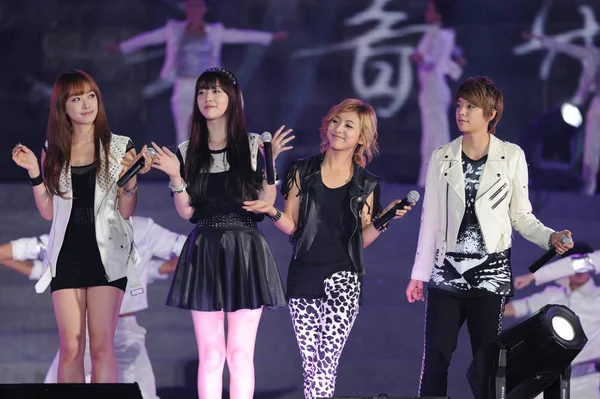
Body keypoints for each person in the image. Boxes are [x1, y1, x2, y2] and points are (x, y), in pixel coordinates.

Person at [405, 76, 575, 397]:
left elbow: (521, 216)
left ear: (490, 113)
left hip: (491, 276)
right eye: (459, 105)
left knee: (488, 362)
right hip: (446, 275)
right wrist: (419, 274)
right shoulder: (442, 156)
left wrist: (550, 237)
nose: (462, 112)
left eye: (471, 106)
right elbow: (430, 220)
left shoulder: (511, 156)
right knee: (436, 359)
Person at [243, 98, 413, 399]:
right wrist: (270, 210)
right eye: (335, 121)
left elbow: (360, 239)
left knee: (325, 361)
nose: (338, 129)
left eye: (348, 125)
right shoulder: (302, 172)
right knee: (312, 365)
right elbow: (293, 226)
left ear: (361, 137)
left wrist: (386, 219)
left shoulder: (366, 184)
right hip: (304, 277)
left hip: (344, 279)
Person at [148, 67, 292, 399]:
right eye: (202, 92)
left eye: (216, 91)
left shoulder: (253, 145)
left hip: (245, 248)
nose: (208, 98)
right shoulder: (187, 151)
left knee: (240, 354)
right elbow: (187, 212)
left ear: (233, 99)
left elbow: (266, 202)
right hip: (205, 249)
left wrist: (270, 165)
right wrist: (174, 176)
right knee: (211, 355)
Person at [10, 69, 151, 383]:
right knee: (71, 347)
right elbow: (48, 211)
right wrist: (35, 171)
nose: (87, 104)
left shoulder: (119, 146)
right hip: (68, 255)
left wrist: (130, 183)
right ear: (63, 106)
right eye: (77, 98)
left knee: (101, 348)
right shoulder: (54, 148)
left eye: (91, 96)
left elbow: (127, 211)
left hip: (107, 257)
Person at [0, 216, 186, 399]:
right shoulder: (73, 230)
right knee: (56, 389)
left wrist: (154, 270)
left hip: (125, 334)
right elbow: (27, 254)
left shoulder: (142, 228)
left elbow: (186, 248)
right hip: (83, 333)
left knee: (143, 394)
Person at [107, 0, 288, 145]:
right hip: (183, 84)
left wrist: (270, 37)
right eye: (191, 6)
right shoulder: (174, 30)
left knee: (213, 126)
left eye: (198, 6)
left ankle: (216, 167)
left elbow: (240, 35)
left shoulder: (214, 32)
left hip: (207, 87)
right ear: (186, 8)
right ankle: (184, 173)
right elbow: (148, 39)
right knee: (183, 129)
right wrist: (122, 47)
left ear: (204, 9)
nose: (194, 10)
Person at [505, 243, 600, 399]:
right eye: (571, 265)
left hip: (586, 382)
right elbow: (516, 308)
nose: (579, 270)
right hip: (546, 380)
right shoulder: (551, 295)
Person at [522, 31, 600, 196]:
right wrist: (541, 39)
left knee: (591, 151)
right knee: (591, 151)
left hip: (594, 108)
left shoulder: (593, 54)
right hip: (595, 108)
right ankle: (588, 190)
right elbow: (565, 47)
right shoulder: (594, 54)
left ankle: (589, 188)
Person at [410, 0, 459, 187]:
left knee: (437, 136)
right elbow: (449, 62)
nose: (426, 13)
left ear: (438, 14)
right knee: (431, 136)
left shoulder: (440, 34)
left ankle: (443, 177)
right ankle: (427, 178)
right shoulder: (439, 34)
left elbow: (432, 60)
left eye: (430, 10)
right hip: (431, 89)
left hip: (435, 89)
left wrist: (421, 57)